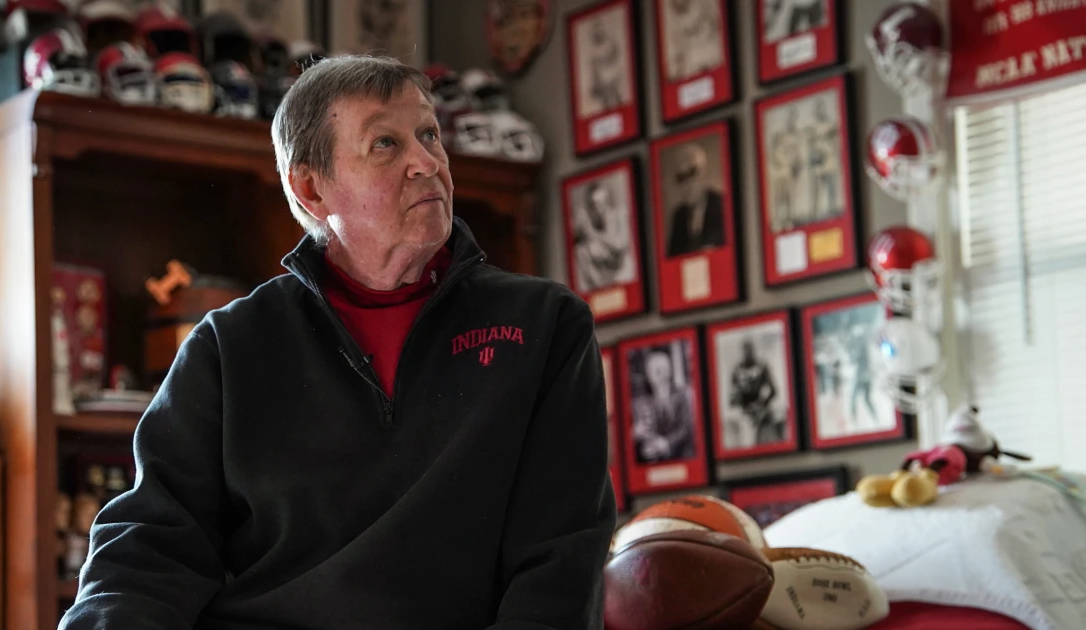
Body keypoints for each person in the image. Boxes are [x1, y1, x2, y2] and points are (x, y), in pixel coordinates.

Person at [59, 55, 616, 630]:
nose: (427, 162)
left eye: (429, 135)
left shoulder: (545, 325)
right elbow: (147, 550)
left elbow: (560, 561)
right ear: (311, 189)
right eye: (386, 144)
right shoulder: (228, 347)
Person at [573, 180, 635, 291]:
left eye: (603, 203)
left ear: (609, 202)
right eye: (594, 205)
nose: (600, 210)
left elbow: (619, 245)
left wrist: (592, 232)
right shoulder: (588, 235)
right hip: (604, 286)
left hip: (625, 278)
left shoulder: (620, 215)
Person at [666, 143, 725, 257]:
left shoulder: (722, 205)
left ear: (704, 173)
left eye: (692, 174)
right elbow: (672, 258)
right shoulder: (679, 216)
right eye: (681, 178)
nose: (687, 184)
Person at [728, 339, 781, 446]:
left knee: (770, 441)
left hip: (763, 413)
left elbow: (773, 391)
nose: (748, 353)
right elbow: (732, 399)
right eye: (746, 350)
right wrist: (739, 399)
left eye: (750, 350)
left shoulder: (762, 366)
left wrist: (760, 405)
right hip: (745, 415)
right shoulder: (737, 370)